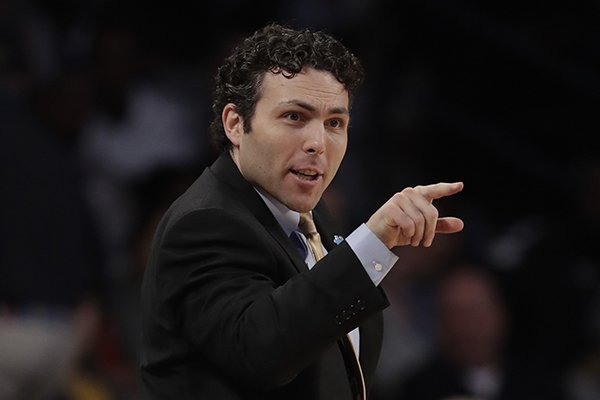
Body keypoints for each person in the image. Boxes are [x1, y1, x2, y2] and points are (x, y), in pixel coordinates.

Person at [138, 22, 464, 400]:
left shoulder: (309, 215)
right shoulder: (204, 222)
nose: (318, 143)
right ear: (235, 124)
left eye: (335, 123)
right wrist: (372, 244)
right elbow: (264, 352)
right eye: (294, 116)